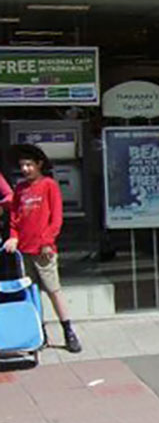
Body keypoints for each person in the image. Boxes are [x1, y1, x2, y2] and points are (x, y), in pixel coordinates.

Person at [1, 144, 82, 353]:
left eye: (29, 165)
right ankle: (39, 333)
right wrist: (13, 238)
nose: (25, 169)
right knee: (31, 293)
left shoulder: (49, 185)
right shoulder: (20, 189)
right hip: (24, 252)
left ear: (39, 164)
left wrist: (47, 241)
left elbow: (56, 218)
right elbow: (15, 219)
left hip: (43, 251)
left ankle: (68, 331)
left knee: (54, 291)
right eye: (22, 165)